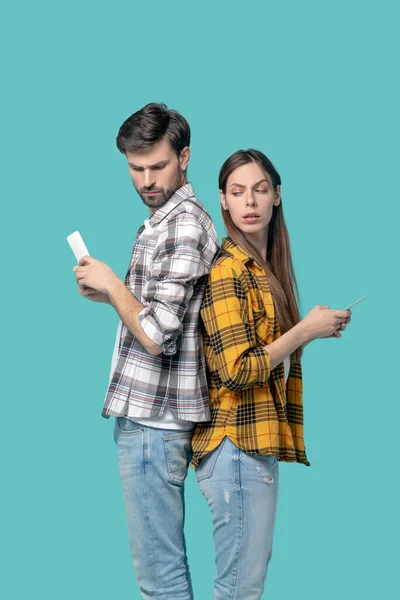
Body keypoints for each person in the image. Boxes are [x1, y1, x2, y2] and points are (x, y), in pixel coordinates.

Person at [190, 149, 351, 600]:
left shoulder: (265, 271)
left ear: (277, 195)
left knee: (245, 587)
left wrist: (310, 333)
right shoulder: (227, 270)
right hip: (234, 446)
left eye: (260, 190)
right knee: (240, 589)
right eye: (238, 192)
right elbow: (238, 371)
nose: (250, 201)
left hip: (252, 446)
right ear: (222, 200)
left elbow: (266, 357)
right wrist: (303, 330)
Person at [73, 102, 218, 600]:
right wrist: (113, 294)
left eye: (158, 166)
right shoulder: (161, 220)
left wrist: (113, 284)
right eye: (136, 169)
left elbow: (157, 337)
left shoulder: (183, 224)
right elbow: (151, 315)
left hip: (155, 421)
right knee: (157, 572)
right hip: (146, 417)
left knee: (159, 577)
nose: (147, 180)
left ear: (185, 157)